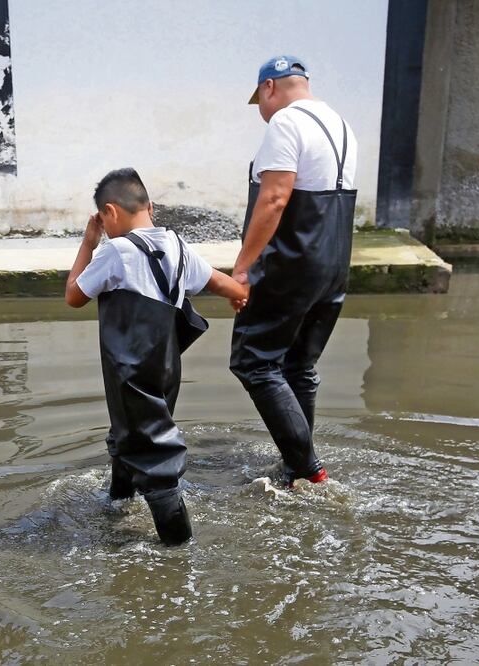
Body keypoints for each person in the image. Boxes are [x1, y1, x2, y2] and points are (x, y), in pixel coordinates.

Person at [65, 168, 248, 546]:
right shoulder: (177, 245)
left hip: (130, 369)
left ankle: (178, 552)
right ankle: (119, 504)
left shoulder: (115, 250)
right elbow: (218, 281)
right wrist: (239, 295)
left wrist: (88, 242)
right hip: (165, 367)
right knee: (131, 435)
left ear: (109, 214)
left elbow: (74, 295)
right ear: (150, 206)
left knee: (153, 455)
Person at [230, 55, 358, 486]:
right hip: (334, 264)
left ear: (269, 88)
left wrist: (243, 268)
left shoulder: (285, 123)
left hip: (292, 262)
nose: (262, 112)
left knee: (254, 362)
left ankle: (307, 468)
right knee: (298, 365)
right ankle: (297, 467)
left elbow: (274, 199)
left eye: (260, 101)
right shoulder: (341, 124)